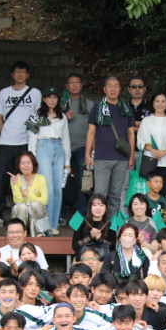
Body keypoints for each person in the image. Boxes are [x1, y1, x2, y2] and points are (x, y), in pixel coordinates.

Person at [0, 60, 40, 228]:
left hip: (26, 142)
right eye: (17, 72)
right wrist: (4, 131)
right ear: (12, 75)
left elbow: (39, 116)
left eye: (23, 72)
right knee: (1, 178)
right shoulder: (4, 93)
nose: (20, 75)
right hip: (6, 142)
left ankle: (24, 213)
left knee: (25, 179)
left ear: (28, 75)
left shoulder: (35, 93)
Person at [86, 76, 138, 217]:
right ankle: (97, 224)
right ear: (104, 89)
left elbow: (131, 133)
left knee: (115, 195)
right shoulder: (98, 108)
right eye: (109, 86)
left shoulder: (126, 108)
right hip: (102, 158)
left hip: (121, 158)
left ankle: (112, 226)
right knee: (99, 196)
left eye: (116, 86)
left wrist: (131, 156)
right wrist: (87, 155)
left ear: (120, 89)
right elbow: (91, 132)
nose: (113, 89)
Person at [26, 86, 71, 234]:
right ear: (44, 99)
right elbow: (32, 138)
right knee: (47, 188)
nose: (52, 100)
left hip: (58, 148)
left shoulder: (62, 116)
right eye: (49, 97)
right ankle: (44, 225)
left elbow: (66, 139)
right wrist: (32, 160)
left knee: (58, 188)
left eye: (55, 97)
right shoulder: (37, 115)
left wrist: (67, 162)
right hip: (42, 147)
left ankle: (53, 224)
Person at [60, 73, 94, 224]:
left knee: (83, 183)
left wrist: (92, 151)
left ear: (81, 85)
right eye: (71, 83)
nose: (74, 85)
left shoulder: (89, 104)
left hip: (82, 148)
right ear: (67, 86)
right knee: (61, 182)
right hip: (62, 148)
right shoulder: (59, 104)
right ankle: (60, 215)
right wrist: (63, 117)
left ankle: (82, 215)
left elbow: (94, 129)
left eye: (77, 83)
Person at [137, 91, 166, 181]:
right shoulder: (146, 121)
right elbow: (140, 141)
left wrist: (164, 152)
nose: (160, 104)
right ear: (153, 103)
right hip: (149, 161)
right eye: (157, 101)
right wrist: (152, 150)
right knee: (150, 188)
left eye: (163, 101)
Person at [9, 152, 51, 238]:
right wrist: (15, 184)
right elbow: (17, 201)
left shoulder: (41, 178)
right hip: (22, 214)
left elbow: (44, 201)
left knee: (35, 205)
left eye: (28, 163)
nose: (25, 166)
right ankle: (19, 234)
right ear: (19, 165)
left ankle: (40, 234)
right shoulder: (16, 179)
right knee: (20, 206)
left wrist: (27, 195)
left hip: (37, 215)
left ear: (33, 164)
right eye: (22, 163)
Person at [71, 194, 116, 258]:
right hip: (85, 259)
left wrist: (101, 239)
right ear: (90, 207)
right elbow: (75, 246)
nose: (98, 208)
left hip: (103, 259)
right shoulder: (82, 222)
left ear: (106, 208)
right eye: (94, 205)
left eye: (101, 205)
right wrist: (90, 237)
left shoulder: (109, 224)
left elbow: (113, 246)